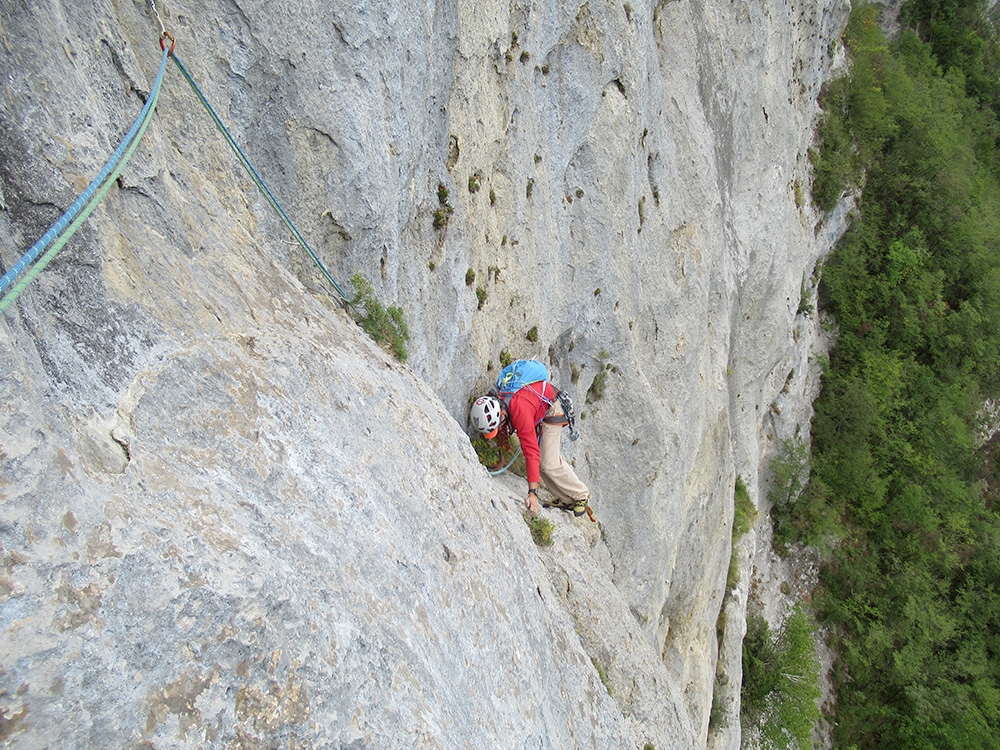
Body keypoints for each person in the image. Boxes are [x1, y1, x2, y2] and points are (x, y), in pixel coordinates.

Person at [470, 376, 590, 518]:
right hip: (541, 408)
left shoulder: (518, 411)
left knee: (548, 463)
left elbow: (531, 452)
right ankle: (567, 500)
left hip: (554, 408)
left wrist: (532, 493)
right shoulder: (496, 402)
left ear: (502, 414)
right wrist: (502, 459)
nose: (499, 427)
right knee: (543, 463)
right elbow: (501, 429)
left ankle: (581, 495)